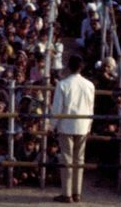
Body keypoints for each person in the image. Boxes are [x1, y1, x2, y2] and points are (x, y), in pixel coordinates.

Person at [52, 54, 95, 203]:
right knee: (79, 160)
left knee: (67, 159)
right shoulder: (90, 85)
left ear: (68, 67)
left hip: (66, 125)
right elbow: (91, 108)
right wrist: (89, 125)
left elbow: (57, 108)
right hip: (83, 125)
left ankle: (67, 193)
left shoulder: (62, 84)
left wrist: (52, 125)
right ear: (82, 67)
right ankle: (77, 192)